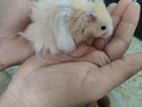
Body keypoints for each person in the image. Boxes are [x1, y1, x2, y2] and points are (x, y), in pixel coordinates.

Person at [0, 0, 141, 107]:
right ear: (90, 19)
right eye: (103, 28)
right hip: (48, 36)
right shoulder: (79, 20)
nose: (107, 33)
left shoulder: (87, 13)